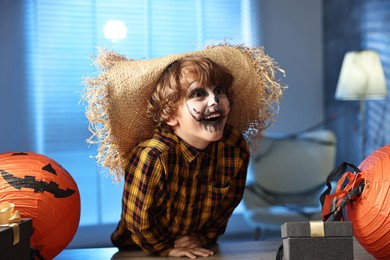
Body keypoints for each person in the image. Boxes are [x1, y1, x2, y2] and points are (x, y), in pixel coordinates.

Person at [83, 43, 284, 258]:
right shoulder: (153, 156)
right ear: (170, 115)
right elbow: (138, 220)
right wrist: (166, 248)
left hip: (197, 246)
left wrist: (203, 237)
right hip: (142, 250)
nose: (214, 101)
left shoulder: (233, 147)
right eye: (198, 94)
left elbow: (228, 204)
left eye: (219, 91)